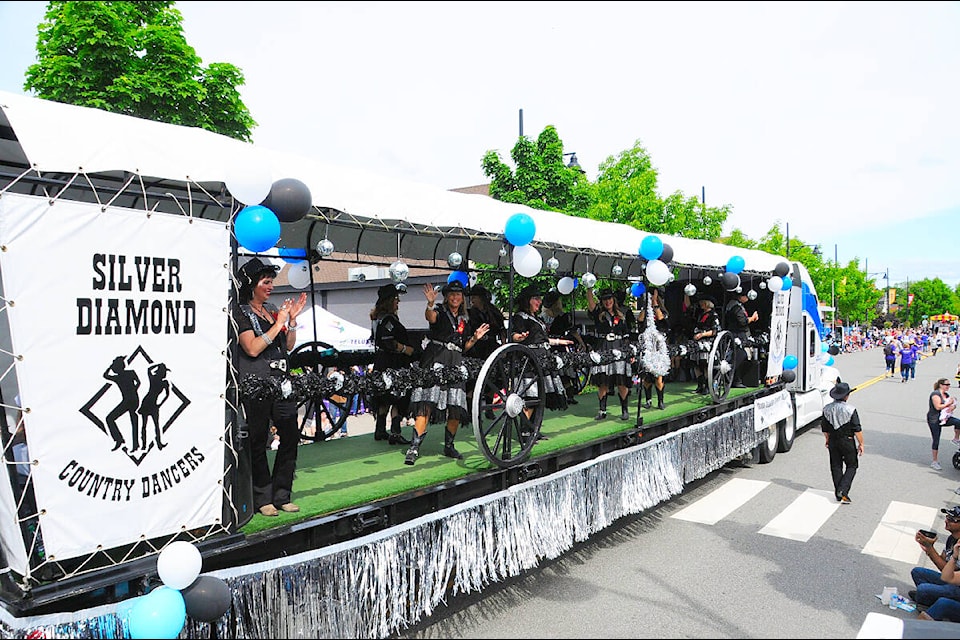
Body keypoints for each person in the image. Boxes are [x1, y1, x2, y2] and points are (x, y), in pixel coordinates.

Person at [234, 257, 308, 517]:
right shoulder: (240, 312)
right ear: (252, 285)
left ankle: (281, 495)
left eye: (271, 282)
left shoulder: (273, 309)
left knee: (290, 436)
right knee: (258, 440)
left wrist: (292, 323)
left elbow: (287, 346)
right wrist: (278, 324)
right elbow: (252, 348)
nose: (271, 286)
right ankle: (262, 497)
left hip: (281, 383)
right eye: (266, 282)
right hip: (257, 384)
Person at [405, 280, 489, 465]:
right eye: (451, 294)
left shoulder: (464, 320)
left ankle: (449, 446)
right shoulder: (440, 312)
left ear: (462, 298)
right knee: (426, 404)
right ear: (446, 296)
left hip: (455, 362)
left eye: (458, 294)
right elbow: (430, 317)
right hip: (436, 360)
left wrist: (475, 338)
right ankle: (414, 448)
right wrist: (429, 303)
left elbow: (464, 346)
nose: (455, 297)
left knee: (456, 407)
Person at [510, 285, 573, 423]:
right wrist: (518, 337)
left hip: (543, 357)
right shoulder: (520, 318)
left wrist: (559, 342)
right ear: (527, 301)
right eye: (535, 299)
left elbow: (543, 339)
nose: (539, 302)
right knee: (531, 397)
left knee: (540, 396)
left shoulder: (538, 319)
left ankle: (533, 429)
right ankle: (525, 430)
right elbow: (514, 335)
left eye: (539, 299)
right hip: (530, 360)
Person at [369, 284, 415, 445]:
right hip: (392, 363)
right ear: (389, 301)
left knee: (383, 397)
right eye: (396, 299)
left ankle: (380, 430)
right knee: (399, 397)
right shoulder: (388, 320)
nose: (398, 302)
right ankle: (395, 431)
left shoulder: (377, 318)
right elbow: (388, 341)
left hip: (381, 362)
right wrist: (405, 349)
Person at [586, 287, 635, 420]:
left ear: (613, 300)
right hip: (603, 347)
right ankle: (602, 411)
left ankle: (624, 410)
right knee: (603, 382)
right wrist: (590, 287)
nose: (607, 302)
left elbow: (626, 336)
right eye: (604, 299)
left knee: (621, 380)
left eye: (609, 298)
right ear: (601, 301)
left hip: (619, 347)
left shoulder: (621, 314)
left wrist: (629, 353)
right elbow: (590, 304)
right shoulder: (598, 314)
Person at [541, 289, 587, 404]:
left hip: (561, 346)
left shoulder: (562, 316)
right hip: (548, 345)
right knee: (556, 371)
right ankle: (553, 396)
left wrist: (581, 342)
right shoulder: (541, 317)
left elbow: (572, 330)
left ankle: (569, 395)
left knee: (565, 371)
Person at [910, 506, 960, 611]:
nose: (946, 520)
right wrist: (929, 549)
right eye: (947, 517)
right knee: (917, 572)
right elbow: (942, 561)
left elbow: (948, 572)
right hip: (950, 582)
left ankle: (929, 599)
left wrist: (930, 549)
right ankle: (928, 598)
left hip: (956, 586)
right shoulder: (952, 539)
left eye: (951, 519)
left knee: (923, 589)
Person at [820, 381, 863, 504]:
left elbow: (825, 428)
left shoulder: (826, 409)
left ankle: (838, 493)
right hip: (847, 440)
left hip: (833, 440)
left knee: (835, 466)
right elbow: (857, 429)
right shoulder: (850, 409)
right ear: (846, 396)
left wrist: (827, 440)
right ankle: (843, 490)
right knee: (852, 465)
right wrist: (861, 443)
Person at [637, 287, 670, 410]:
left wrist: (655, 303)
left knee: (658, 376)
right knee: (646, 376)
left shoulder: (662, 312)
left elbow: (662, 323)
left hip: (658, 348)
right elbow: (640, 322)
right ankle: (648, 400)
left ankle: (660, 401)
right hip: (647, 346)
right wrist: (646, 308)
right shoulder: (645, 312)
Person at [723, 291, 759, 388]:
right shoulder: (736, 307)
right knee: (740, 355)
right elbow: (742, 322)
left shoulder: (732, 305)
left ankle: (735, 379)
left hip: (734, 332)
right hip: (737, 334)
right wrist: (752, 318)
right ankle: (731, 375)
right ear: (741, 297)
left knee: (737, 356)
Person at [926, 378, 960, 470]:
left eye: (949, 385)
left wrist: (952, 406)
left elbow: (951, 406)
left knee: (958, 422)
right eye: (947, 385)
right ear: (941, 385)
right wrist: (948, 403)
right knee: (936, 439)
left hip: (944, 417)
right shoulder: (935, 394)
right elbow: (938, 407)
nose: (948, 386)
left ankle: (956, 439)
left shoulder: (946, 395)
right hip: (934, 420)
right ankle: (934, 461)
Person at [691, 295, 721, 394]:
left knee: (706, 364)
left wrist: (702, 334)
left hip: (707, 341)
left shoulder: (713, 315)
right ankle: (700, 385)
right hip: (698, 341)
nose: (701, 304)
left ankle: (708, 386)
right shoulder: (700, 314)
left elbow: (715, 331)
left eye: (703, 302)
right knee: (696, 364)